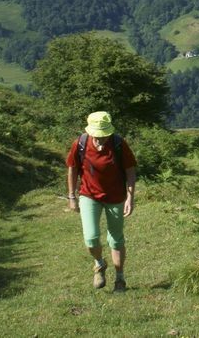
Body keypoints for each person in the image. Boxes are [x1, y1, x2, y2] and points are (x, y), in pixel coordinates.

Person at [66, 111, 137, 291]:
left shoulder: (118, 143)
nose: (100, 139)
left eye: (104, 135)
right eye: (97, 135)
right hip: (88, 195)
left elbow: (130, 170)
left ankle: (120, 279)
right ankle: (99, 264)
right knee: (91, 238)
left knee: (116, 239)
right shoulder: (80, 143)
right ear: (90, 132)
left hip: (115, 196)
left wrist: (130, 196)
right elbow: (72, 169)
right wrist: (72, 197)